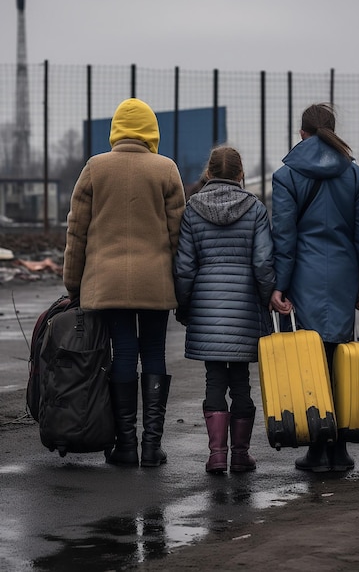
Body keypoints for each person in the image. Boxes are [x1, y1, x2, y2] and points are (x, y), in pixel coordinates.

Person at [63, 97, 186, 468]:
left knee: (122, 354)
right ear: (152, 132)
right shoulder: (166, 169)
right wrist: (182, 289)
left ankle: (126, 446)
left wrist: (74, 286)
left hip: (107, 284)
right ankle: (152, 447)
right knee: (153, 354)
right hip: (156, 284)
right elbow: (179, 235)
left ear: (116, 130)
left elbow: (76, 232)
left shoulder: (94, 168)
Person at [270, 103, 359, 473]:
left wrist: (279, 286)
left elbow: (284, 236)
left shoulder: (287, 176)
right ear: (332, 131)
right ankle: (341, 450)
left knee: (313, 360)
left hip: (305, 275)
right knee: (342, 357)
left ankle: (317, 450)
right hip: (345, 276)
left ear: (301, 133)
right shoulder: (355, 176)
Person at [174, 145, 275, 474]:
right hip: (245, 307)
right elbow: (262, 264)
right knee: (242, 383)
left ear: (209, 173)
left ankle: (217, 455)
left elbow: (185, 268)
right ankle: (241, 455)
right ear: (240, 174)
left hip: (206, 307)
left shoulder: (192, 209)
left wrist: (185, 306)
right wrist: (264, 300)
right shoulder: (256, 209)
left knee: (214, 381)